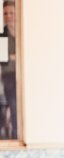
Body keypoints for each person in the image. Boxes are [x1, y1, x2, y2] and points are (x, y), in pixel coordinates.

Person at [0, 0, 16, 139]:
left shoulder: (23, 32)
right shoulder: (2, 35)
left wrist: (13, 56)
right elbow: (3, 58)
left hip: (24, 76)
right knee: (14, 107)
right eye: (5, 13)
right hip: (9, 76)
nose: (8, 16)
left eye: (11, 13)